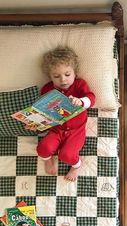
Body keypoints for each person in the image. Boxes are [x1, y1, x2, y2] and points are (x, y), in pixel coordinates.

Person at [35, 46, 95, 181]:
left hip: (76, 130)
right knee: (43, 148)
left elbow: (91, 98)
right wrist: (34, 122)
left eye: (67, 74)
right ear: (50, 76)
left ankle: (77, 166)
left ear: (75, 73)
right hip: (56, 128)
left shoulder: (79, 85)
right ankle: (47, 160)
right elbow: (42, 110)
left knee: (66, 155)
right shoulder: (47, 89)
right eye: (56, 76)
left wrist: (81, 102)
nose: (63, 80)